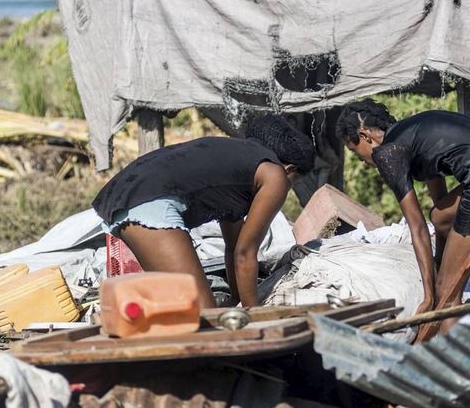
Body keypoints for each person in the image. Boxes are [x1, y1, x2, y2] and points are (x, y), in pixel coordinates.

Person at [336, 100, 470, 339]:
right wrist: (442, 261)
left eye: (356, 153)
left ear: (364, 136)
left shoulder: (387, 153)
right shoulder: (413, 133)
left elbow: (416, 228)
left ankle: (460, 365)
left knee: (446, 296)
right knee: (440, 217)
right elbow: (441, 210)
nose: (363, 163)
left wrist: (430, 294)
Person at [93, 115, 315, 310]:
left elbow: (234, 248)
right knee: (203, 315)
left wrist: (237, 300)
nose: (287, 188)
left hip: (122, 195)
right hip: (148, 202)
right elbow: (245, 254)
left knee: (184, 313)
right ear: (290, 169)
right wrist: (253, 315)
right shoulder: (274, 174)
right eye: (293, 182)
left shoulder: (239, 165)